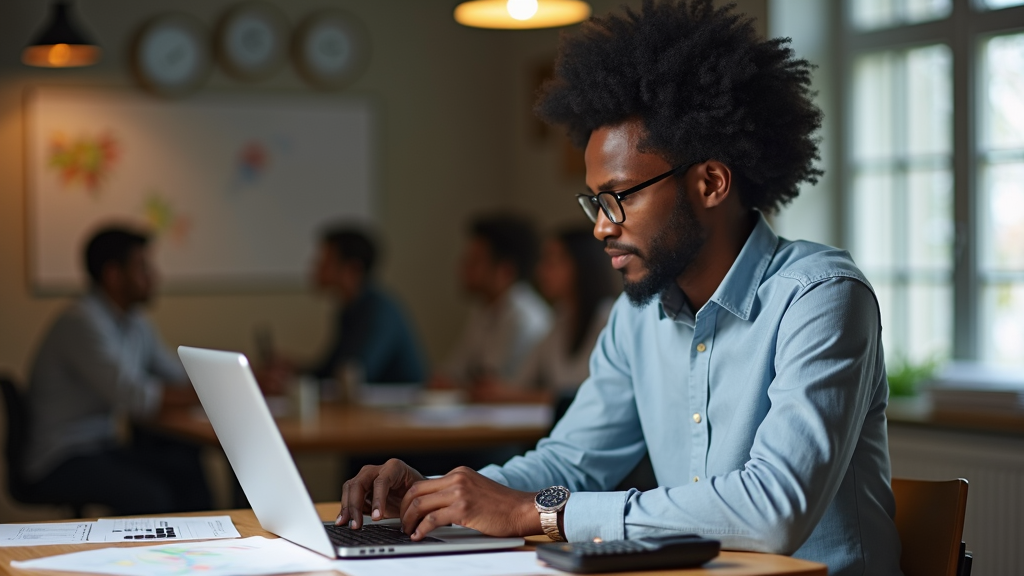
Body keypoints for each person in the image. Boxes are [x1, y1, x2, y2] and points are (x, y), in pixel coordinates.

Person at [336, 2, 902, 575]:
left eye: (620, 196)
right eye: (594, 201)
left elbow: (772, 512)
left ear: (710, 182)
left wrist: (540, 513)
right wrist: (437, 492)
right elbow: (573, 462)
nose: (600, 226)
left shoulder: (820, 297)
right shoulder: (639, 314)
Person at [25, 226, 211, 515]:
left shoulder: (134, 322)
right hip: (63, 455)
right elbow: (133, 396)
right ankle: (142, 559)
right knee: (150, 495)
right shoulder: (81, 321)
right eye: (143, 267)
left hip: (102, 446)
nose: (154, 276)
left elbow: (174, 373)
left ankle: (206, 552)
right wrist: (209, 395)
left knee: (185, 468)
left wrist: (229, 380)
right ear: (113, 275)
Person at [472, 227, 618, 403]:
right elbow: (521, 381)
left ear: (581, 265)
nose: (540, 271)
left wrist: (513, 394)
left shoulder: (608, 319)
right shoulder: (561, 319)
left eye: (551, 261)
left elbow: (594, 394)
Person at [434, 215, 552, 388]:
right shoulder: (484, 309)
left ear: (505, 271)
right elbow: (454, 372)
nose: (463, 267)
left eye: (474, 261)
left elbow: (489, 385)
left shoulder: (524, 318)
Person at [306, 226, 426, 384]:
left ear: (353, 269)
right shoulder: (348, 310)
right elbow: (330, 369)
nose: (316, 267)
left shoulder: (379, 311)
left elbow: (357, 374)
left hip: (400, 406)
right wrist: (292, 372)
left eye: (325, 261)